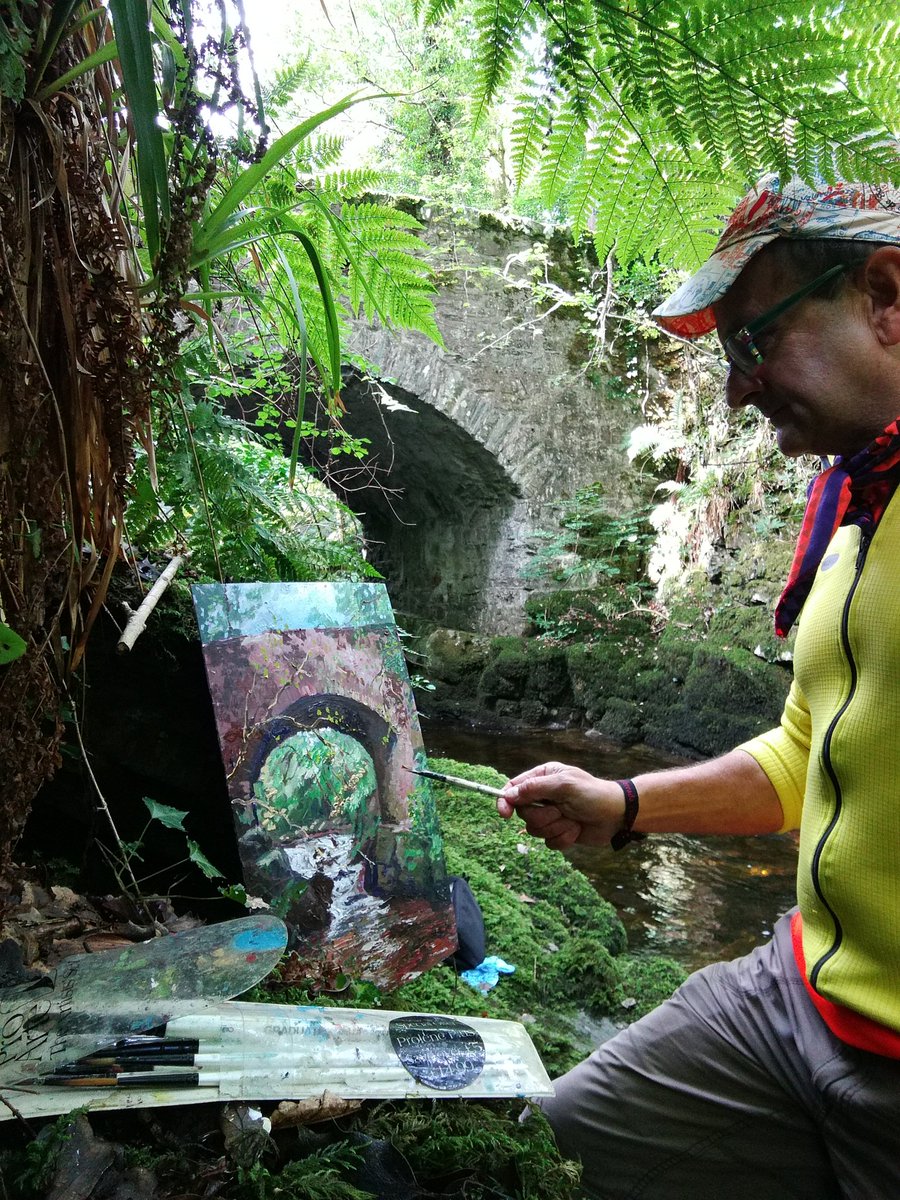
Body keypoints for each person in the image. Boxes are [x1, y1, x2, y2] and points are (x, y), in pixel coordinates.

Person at [497, 175, 900, 1200]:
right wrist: (625, 803)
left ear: (886, 297)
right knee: (543, 1156)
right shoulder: (852, 511)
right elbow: (808, 753)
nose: (736, 390)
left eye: (755, 341)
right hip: (794, 999)